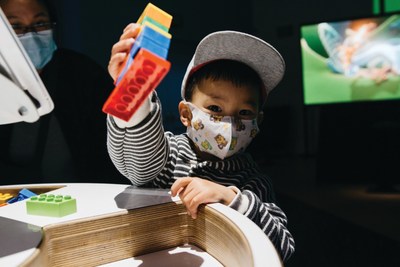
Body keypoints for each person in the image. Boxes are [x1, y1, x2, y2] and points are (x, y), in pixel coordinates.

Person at [106, 23, 295, 261]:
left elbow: (283, 248)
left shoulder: (253, 183)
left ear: (258, 122)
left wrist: (231, 198)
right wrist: (133, 92)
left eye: (244, 113)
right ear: (186, 114)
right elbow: (137, 166)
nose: (230, 122)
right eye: (215, 108)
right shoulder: (170, 155)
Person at [0, 0, 126, 184]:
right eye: (16, 26)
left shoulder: (83, 74)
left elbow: (117, 150)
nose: (31, 34)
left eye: (40, 23)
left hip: (83, 199)